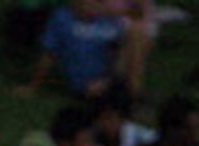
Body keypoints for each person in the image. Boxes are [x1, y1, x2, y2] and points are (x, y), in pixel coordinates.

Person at [19, 0, 147, 98]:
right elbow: (48, 55)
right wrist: (32, 86)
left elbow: (138, 15)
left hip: (110, 76)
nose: (95, 5)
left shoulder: (108, 20)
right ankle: (130, 94)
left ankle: (131, 90)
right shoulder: (63, 20)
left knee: (136, 35)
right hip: (87, 83)